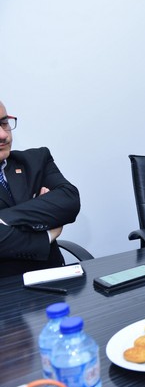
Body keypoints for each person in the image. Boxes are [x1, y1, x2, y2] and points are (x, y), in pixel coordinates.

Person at [0, 100, 81, 277]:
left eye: (4, 122)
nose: (3, 134)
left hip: (51, 276)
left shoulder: (36, 160)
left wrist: (4, 218)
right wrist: (47, 235)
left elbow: (69, 200)